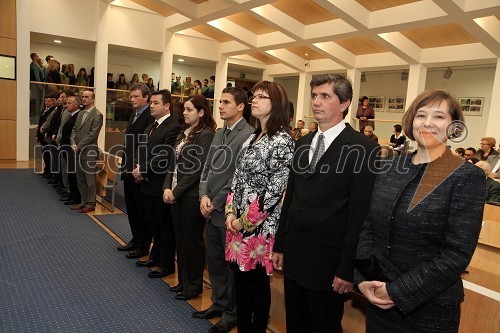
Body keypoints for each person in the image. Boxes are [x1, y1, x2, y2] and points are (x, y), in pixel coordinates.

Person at [355, 88, 486, 333]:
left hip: (429, 308)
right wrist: (363, 280)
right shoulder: (390, 167)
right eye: (421, 115)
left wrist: (397, 291)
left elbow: (456, 254)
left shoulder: (465, 176)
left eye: (438, 116)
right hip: (379, 300)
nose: (427, 123)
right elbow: (368, 228)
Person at [272, 74, 379, 333]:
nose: (316, 102)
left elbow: (359, 214)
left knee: (324, 326)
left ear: (344, 104)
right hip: (295, 256)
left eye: (325, 96)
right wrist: (280, 245)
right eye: (314, 96)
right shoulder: (303, 143)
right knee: (296, 325)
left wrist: (347, 268)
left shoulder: (362, 148)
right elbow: (292, 199)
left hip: (329, 263)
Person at [225, 81, 294, 333]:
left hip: (259, 227)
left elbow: (274, 191)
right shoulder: (253, 137)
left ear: (276, 104)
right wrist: (230, 212)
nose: (254, 100)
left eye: (261, 97)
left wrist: (244, 220)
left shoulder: (283, 141)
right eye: (254, 96)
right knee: (241, 285)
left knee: (257, 287)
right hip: (237, 224)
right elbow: (236, 179)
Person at [195, 87, 254, 333]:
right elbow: (207, 167)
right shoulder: (219, 132)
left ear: (241, 107)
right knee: (215, 262)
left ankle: (232, 313)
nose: (220, 106)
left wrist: (215, 202)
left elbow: (235, 177)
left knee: (231, 268)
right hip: (210, 207)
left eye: (226, 102)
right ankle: (218, 303)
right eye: (219, 102)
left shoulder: (249, 134)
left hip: (228, 212)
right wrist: (203, 196)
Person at [162, 94, 216, 300]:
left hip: (190, 196)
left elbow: (197, 169)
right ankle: (183, 281)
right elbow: (172, 163)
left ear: (201, 112)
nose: (183, 113)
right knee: (181, 241)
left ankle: (194, 286)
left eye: (189, 109)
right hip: (176, 194)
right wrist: (167, 187)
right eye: (183, 109)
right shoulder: (185, 132)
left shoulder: (207, 134)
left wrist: (175, 192)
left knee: (192, 243)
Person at [132, 89, 181, 279]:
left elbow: (165, 156)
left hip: (159, 184)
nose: (151, 106)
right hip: (146, 182)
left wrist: (142, 170)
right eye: (150, 103)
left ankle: (166, 264)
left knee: (164, 227)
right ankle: (155, 256)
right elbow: (142, 150)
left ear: (167, 106)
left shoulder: (172, 127)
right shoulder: (150, 126)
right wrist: (138, 168)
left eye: (155, 103)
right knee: (154, 225)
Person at [118, 84, 155, 260]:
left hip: (138, 171)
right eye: (131, 96)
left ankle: (143, 244)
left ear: (146, 97)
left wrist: (139, 168)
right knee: (131, 208)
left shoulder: (149, 116)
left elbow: (145, 147)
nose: (132, 99)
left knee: (141, 210)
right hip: (128, 168)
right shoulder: (134, 114)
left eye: (136, 96)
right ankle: (136, 238)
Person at [70, 90, 103, 213]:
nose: (84, 99)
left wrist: (78, 145)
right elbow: (73, 130)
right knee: (80, 178)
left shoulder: (97, 115)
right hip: (77, 150)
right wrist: (73, 143)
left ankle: (91, 203)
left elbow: (92, 134)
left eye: (87, 97)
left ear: (93, 99)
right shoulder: (80, 113)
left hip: (89, 151)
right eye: (82, 97)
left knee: (89, 180)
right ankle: (83, 201)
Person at [30, 53, 45, 118]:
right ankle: (34, 116)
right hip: (35, 85)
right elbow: (37, 77)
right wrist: (40, 86)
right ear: (34, 57)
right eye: (37, 56)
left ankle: (35, 115)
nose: (38, 57)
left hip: (37, 85)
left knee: (38, 100)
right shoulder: (34, 65)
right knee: (35, 100)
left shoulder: (37, 65)